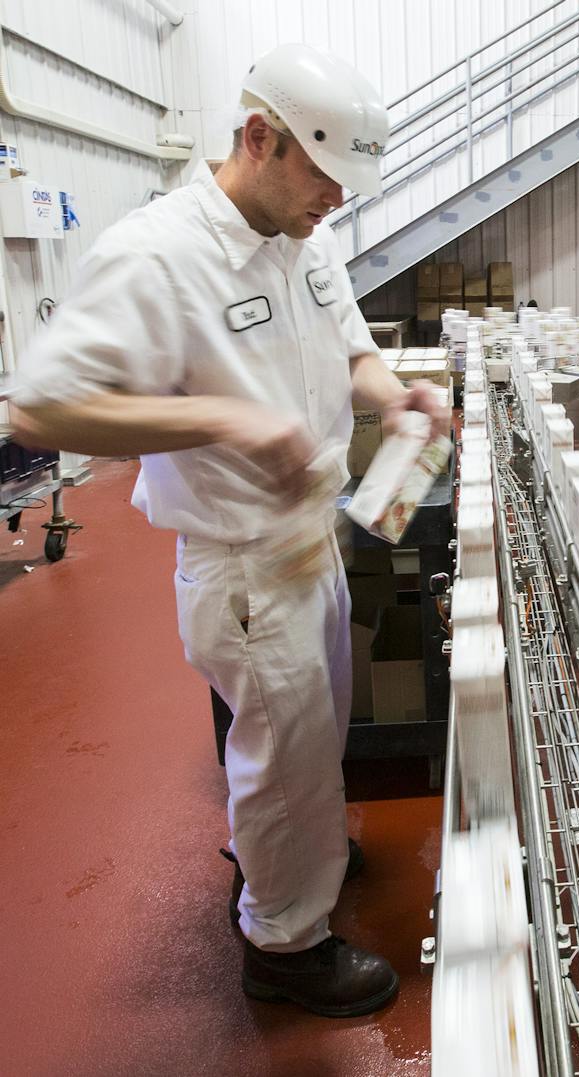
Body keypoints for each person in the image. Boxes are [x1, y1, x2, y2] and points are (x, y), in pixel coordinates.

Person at [9, 43, 447, 1018]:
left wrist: (397, 395)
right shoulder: (154, 253)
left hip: (309, 543)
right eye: (326, 178)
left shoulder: (303, 232)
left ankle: (292, 849)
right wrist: (216, 415)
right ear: (261, 138)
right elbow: (41, 412)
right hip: (241, 563)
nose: (334, 201)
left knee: (308, 739)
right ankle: (283, 946)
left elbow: (351, 353)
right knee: (281, 751)